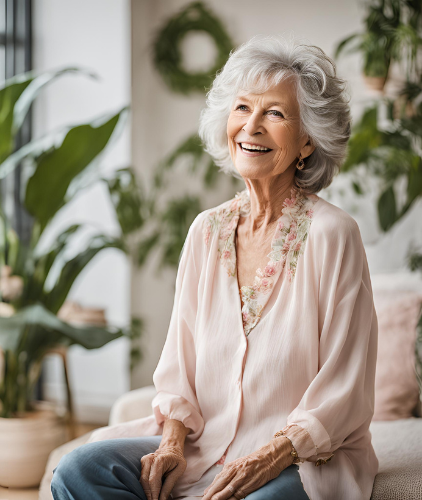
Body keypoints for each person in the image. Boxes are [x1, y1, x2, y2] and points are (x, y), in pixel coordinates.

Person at [51, 34, 379, 500]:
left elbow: (346, 386)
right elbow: (179, 364)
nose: (252, 127)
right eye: (243, 108)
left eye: (276, 113)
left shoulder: (334, 234)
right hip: (206, 449)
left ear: (308, 140)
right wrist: (170, 444)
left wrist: (271, 455)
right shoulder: (207, 231)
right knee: (79, 470)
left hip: (301, 461)